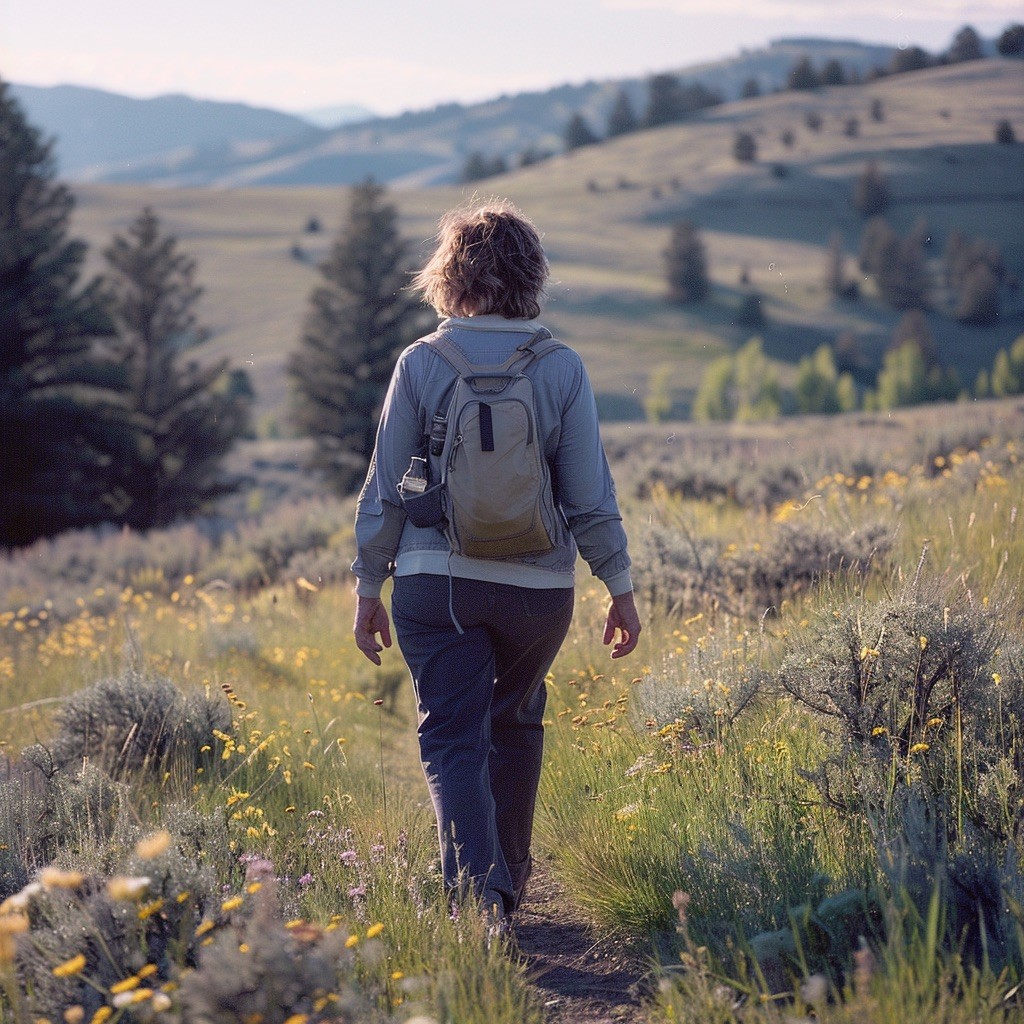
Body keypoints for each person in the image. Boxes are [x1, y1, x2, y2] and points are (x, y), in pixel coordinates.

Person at [351, 201, 641, 929]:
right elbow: (589, 494)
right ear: (529, 275)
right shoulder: (561, 366)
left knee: (453, 735)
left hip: (436, 583)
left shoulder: (421, 363)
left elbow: (386, 488)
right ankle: (509, 880)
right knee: (513, 722)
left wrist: (368, 584)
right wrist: (619, 585)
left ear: (451, 276)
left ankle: (482, 900)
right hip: (539, 589)